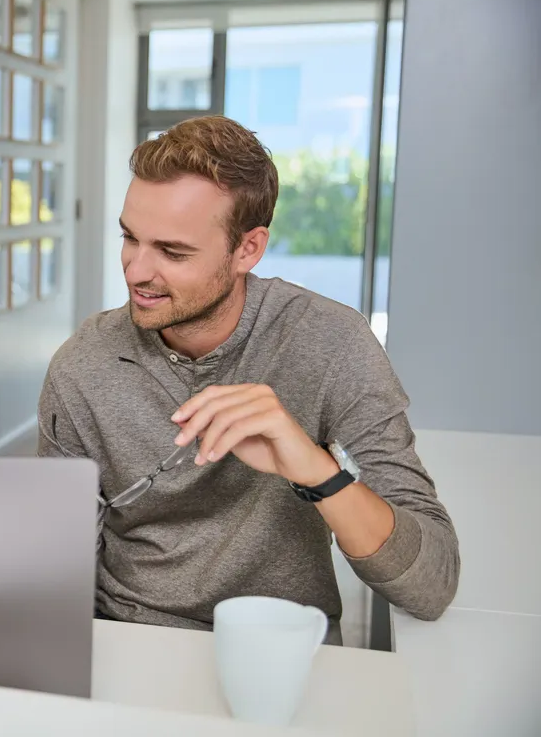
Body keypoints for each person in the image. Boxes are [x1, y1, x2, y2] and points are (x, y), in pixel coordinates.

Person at [38, 116, 459, 644]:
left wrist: (313, 468)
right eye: (129, 238)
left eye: (172, 252)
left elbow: (432, 584)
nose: (136, 271)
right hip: (129, 640)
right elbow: (56, 566)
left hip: (284, 647)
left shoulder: (331, 342)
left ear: (248, 250)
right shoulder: (83, 365)